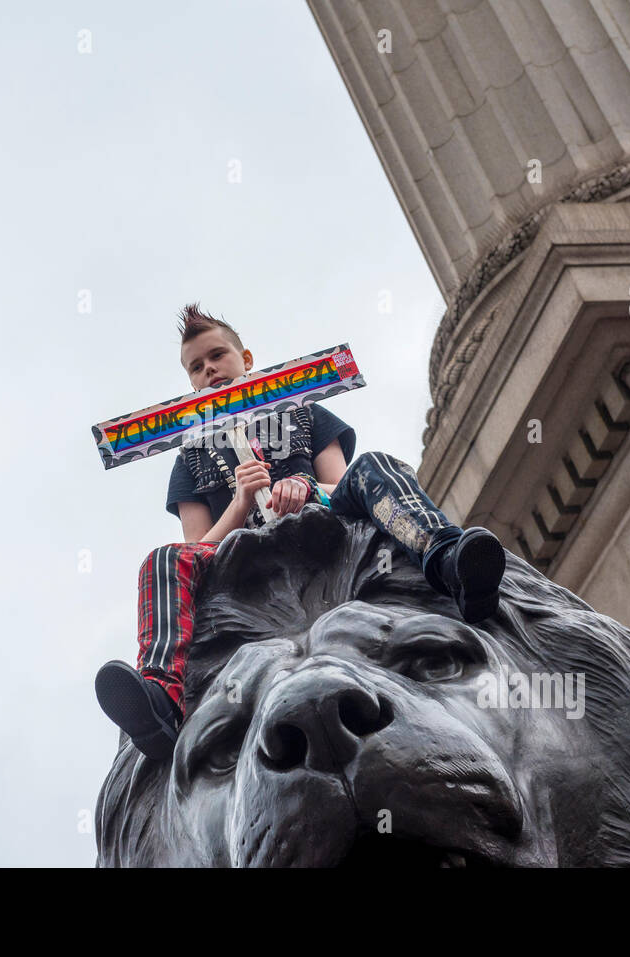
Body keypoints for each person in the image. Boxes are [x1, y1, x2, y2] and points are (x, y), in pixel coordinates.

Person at [94, 304, 506, 760]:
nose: (210, 369)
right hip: (242, 560)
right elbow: (199, 548)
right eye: (197, 366)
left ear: (245, 358)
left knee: (375, 466)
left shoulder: (304, 411)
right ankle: (160, 697)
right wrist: (240, 503)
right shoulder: (189, 459)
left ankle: (448, 559)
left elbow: (344, 483)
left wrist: (308, 488)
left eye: (217, 355)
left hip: (326, 530)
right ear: (190, 381)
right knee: (162, 559)